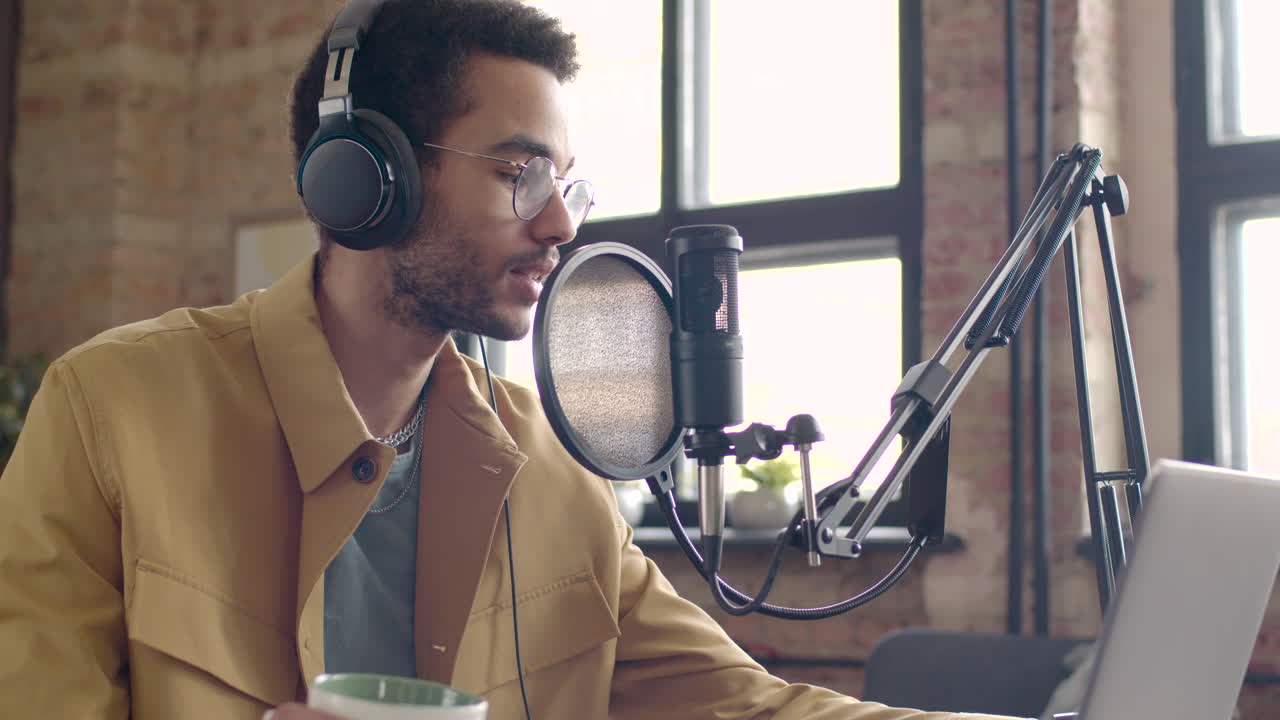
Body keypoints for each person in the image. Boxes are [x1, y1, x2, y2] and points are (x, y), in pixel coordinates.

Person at [0, 1, 1027, 718]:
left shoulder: (554, 470)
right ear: (364, 178)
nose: (556, 228)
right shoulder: (111, 411)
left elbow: (746, 709)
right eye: (518, 174)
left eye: (565, 187)